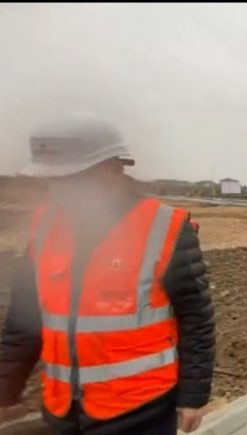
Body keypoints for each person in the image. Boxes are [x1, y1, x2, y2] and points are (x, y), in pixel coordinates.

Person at [0, 113, 215, 434]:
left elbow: (196, 317)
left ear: (113, 170)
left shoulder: (164, 228)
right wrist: (6, 389)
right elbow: (23, 320)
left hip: (143, 411)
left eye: (73, 179)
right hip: (63, 410)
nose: (60, 191)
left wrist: (193, 396)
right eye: (54, 181)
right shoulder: (45, 227)